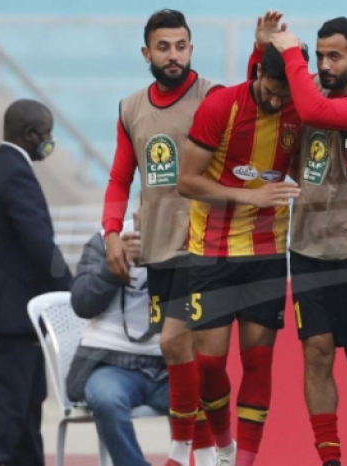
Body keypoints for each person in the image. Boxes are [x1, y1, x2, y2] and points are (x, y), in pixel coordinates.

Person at [267, 17, 347, 466]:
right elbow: (272, 93)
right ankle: (331, 460)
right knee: (317, 354)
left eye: (335, 56)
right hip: (307, 245)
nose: (324, 64)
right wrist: (263, 49)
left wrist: (291, 52)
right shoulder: (314, 95)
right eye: (319, 55)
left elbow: (312, 112)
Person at [99, 9, 221, 466]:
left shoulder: (212, 97)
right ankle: (206, 455)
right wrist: (112, 232)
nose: (174, 55)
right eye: (164, 47)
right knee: (184, 353)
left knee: (174, 342)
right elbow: (119, 178)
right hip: (158, 246)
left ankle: (180, 451)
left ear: (192, 48)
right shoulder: (130, 108)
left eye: (181, 46)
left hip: (203, 243)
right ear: (146, 52)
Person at [178, 42, 306, 466]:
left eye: (284, 95)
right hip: (212, 251)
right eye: (270, 91)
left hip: (266, 253)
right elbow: (186, 181)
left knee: (258, 362)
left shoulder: (298, 110)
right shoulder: (221, 107)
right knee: (209, 365)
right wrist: (250, 195)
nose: (276, 102)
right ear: (258, 75)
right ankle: (225, 446)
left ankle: (242, 461)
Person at [0, 99, 72, 466]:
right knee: (9, 408)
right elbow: (40, 243)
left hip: (5, 314)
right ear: (29, 134)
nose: (50, 140)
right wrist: (73, 291)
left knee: (27, 406)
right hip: (11, 318)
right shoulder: (15, 174)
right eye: (47, 133)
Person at [67, 214, 172, 466]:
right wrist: (114, 265)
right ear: (137, 213)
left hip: (169, 364)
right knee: (107, 400)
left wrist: (165, 263)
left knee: (211, 397)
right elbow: (81, 303)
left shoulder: (186, 242)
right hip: (109, 362)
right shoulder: (104, 242)